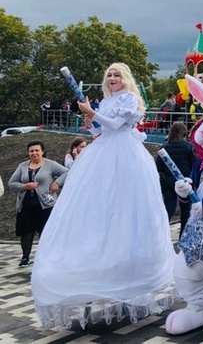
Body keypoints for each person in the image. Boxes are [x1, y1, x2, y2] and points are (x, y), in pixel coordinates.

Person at [31, 63, 175, 329]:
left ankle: (132, 273)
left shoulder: (130, 99)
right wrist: (89, 122)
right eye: (108, 75)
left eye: (116, 74)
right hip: (102, 154)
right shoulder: (106, 101)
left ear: (125, 78)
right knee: (98, 209)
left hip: (127, 157)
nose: (111, 78)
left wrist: (91, 111)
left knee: (126, 209)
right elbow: (100, 131)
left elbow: (118, 124)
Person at [8, 141, 68, 267]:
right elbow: (12, 183)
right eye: (31, 151)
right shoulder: (22, 166)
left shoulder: (50, 165)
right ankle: (25, 257)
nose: (34, 153)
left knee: (45, 232)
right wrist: (25, 186)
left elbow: (66, 172)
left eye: (36, 150)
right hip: (27, 205)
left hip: (45, 205)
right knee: (26, 232)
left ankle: (46, 257)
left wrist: (56, 183)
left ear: (42, 151)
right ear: (28, 153)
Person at [155, 121, 197, 236]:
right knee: (185, 210)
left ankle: (161, 234)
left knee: (169, 208)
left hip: (169, 182)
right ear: (184, 133)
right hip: (185, 183)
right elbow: (195, 165)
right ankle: (183, 235)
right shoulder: (189, 147)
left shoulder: (164, 147)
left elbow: (158, 166)